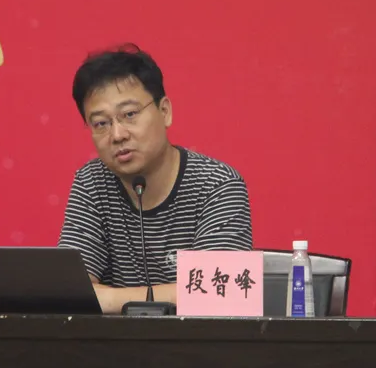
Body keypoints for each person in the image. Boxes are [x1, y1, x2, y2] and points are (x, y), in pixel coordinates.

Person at [58, 44, 253, 313]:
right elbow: (68, 293)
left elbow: (220, 294)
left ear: (164, 111)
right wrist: (179, 293)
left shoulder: (218, 185)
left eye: (129, 115)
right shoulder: (92, 182)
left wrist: (106, 298)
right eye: (101, 123)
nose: (117, 135)